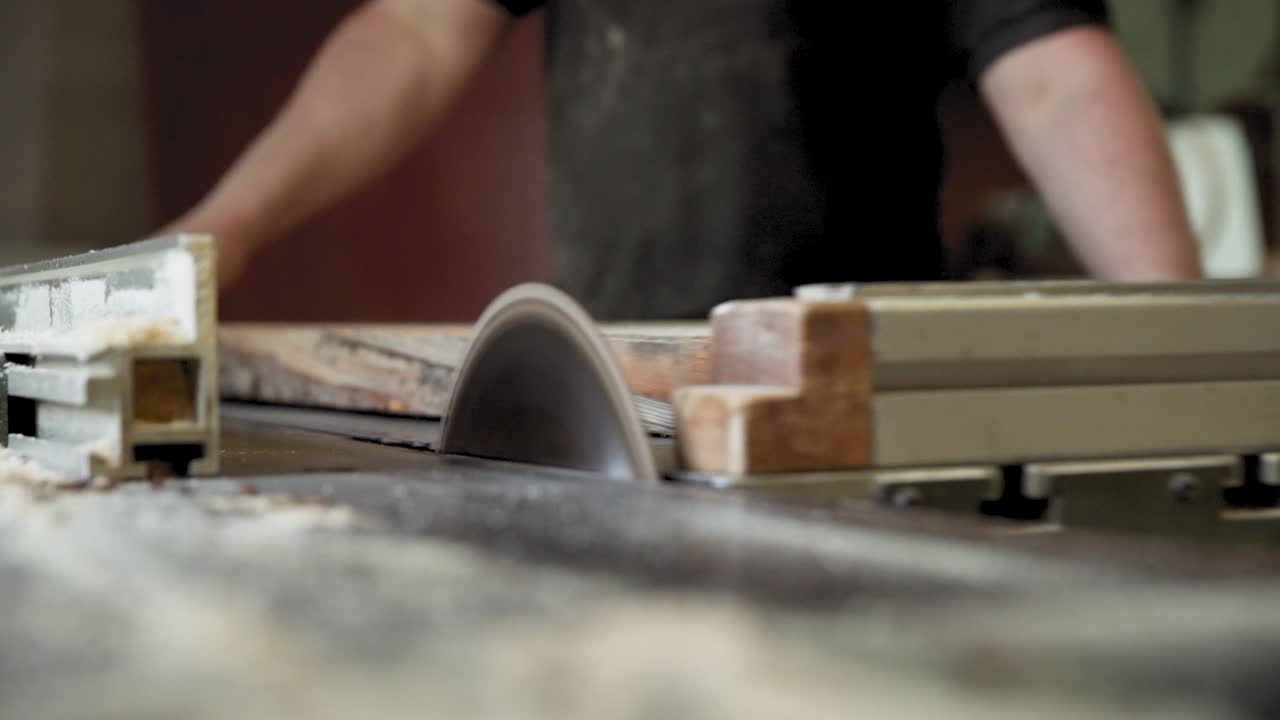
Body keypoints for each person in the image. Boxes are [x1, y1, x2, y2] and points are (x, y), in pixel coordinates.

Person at [161, 0, 1204, 320]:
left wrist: (1184, 341)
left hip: (861, 390)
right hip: (620, 382)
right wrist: (230, 221)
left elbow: (1051, 72)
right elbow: (420, 31)